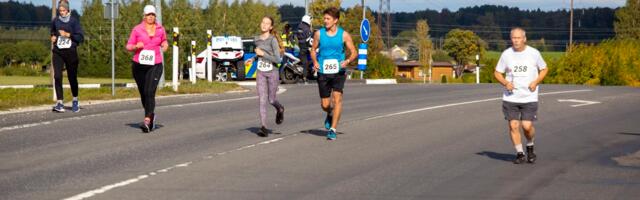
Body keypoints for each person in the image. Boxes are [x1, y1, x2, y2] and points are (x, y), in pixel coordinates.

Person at [494, 27, 548, 164]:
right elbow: (497, 73)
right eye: (513, 38)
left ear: (524, 39)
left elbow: (544, 69)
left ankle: (530, 145)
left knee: (526, 126)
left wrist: (536, 82)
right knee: (513, 126)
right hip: (510, 97)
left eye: (518, 38)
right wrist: (506, 83)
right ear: (511, 39)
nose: (516, 41)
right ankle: (520, 153)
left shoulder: (534, 53)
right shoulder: (506, 54)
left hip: (529, 97)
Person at [310, 7, 357, 140]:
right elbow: (313, 50)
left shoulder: (344, 35)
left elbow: (354, 52)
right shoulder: (319, 34)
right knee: (325, 104)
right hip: (323, 71)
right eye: (324, 18)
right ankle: (329, 113)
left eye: (328, 19)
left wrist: (347, 61)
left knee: (337, 99)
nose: (325, 21)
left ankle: (333, 129)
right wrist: (314, 61)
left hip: (338, 72)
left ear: (335, 20)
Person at [126, 5, 169, 133]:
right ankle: (151, 115)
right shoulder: (137, 29)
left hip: (155, 64)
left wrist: (165, 45)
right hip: (139, 65)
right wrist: (135, 46)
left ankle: (147, 120)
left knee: (150, 91)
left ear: (155, 16)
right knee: (144, 93)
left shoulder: (160, 29)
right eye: (148, 14)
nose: (151, 17)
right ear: (144, 16)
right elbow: (128, 46)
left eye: (153, 15)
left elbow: (164, 41)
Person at [246, 16, 285, 137]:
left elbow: (278, 59)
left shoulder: (273, 40)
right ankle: (263, 127)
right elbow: (259, 55)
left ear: (271, 27)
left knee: (271, 99)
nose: (264, 25)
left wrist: (263, 53)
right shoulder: (256, 39)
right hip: (261, 72)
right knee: (262, 99)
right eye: (262, 22)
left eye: (267, 23)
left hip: (272, 71)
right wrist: (253, 59)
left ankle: (280, 109)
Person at [50, 0, 84, 112]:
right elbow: (52, 33)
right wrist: (53, 38)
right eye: (60, 11)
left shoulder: (74, 22)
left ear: (68, 10)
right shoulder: (55, 21)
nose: (62, 13)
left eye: (63, 10)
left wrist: (68, 35)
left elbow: (80, 38)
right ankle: (59, 102)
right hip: (58, 51)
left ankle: (75, 100)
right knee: (57, 76)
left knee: (72, 77)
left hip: (70, 52)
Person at [296, 15, 313, 83]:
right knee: (306, 62)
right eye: (310, 20)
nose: (310, 21)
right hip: (305, 46)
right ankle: (305, 77)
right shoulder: (306, 28)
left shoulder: (300, 26)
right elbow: (309, 38)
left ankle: (309, 74)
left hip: (300, 44)